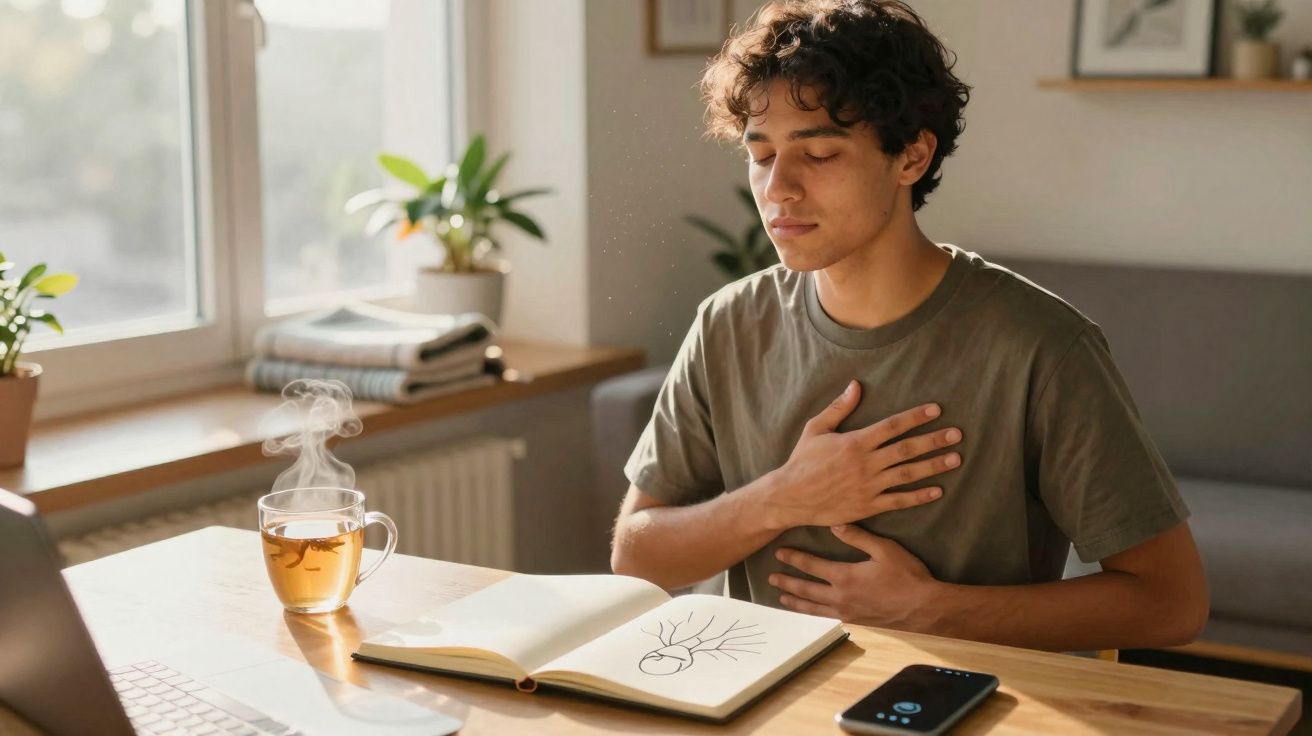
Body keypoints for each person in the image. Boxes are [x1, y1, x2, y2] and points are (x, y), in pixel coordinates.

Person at [610, 0, 1209, 652]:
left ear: (911, 157)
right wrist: (784, 497)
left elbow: (1172, 603)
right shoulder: (729, 323)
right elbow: (637, 556)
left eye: (819, 153)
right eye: (762, 154)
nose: (777, 187)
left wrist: (934, 610)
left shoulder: (1042, 347)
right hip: (765, 703)